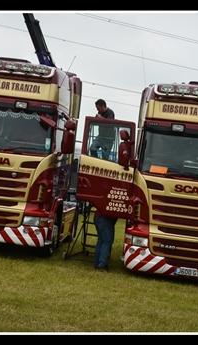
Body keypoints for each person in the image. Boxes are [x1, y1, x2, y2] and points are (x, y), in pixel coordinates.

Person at [92, 99, 118, 270]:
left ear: (103, 106)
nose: (98, 110)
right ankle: (101, 264)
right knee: (93, 148)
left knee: (103, 239)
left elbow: (108, 122)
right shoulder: (102, 113)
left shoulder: (110, 113)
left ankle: (99, 262)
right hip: (101, 138)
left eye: (99, 108)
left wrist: (99, 117)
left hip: (108, 139)